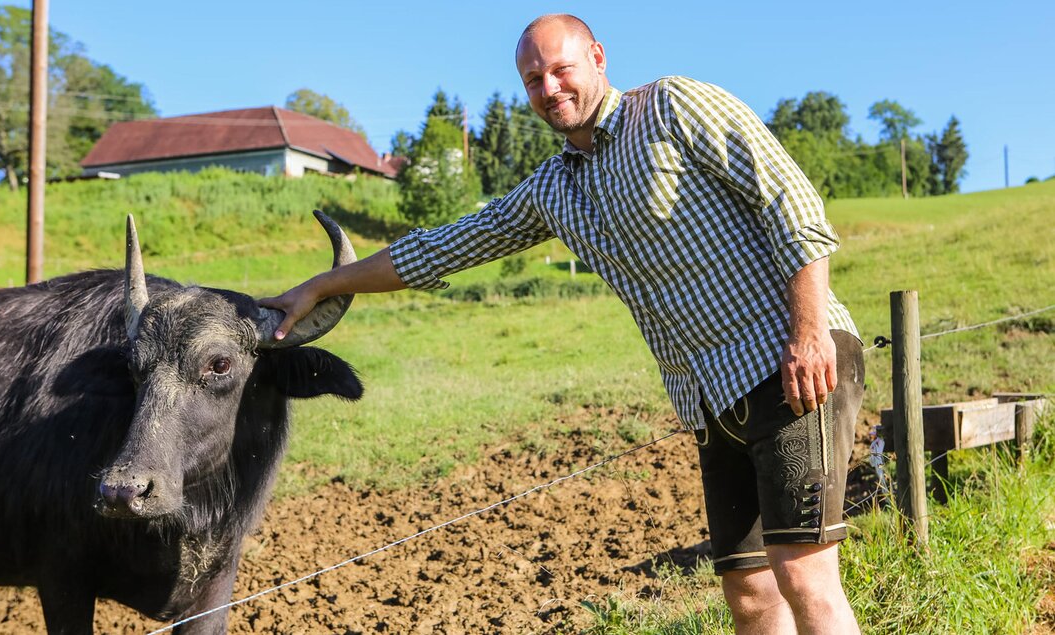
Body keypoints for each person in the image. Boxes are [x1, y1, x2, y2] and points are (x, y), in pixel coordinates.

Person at [261, 14, 865, 634]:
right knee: (749, 591)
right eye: (532, 80)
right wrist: (322, 285)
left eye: (560, 69)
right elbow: (443, 247)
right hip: (710, 398)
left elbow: (791, 200)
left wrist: (810, 332)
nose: (549, 89)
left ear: (598, 58)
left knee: (802, 576)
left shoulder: (673, 107)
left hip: (790, 361)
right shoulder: (554, 188)